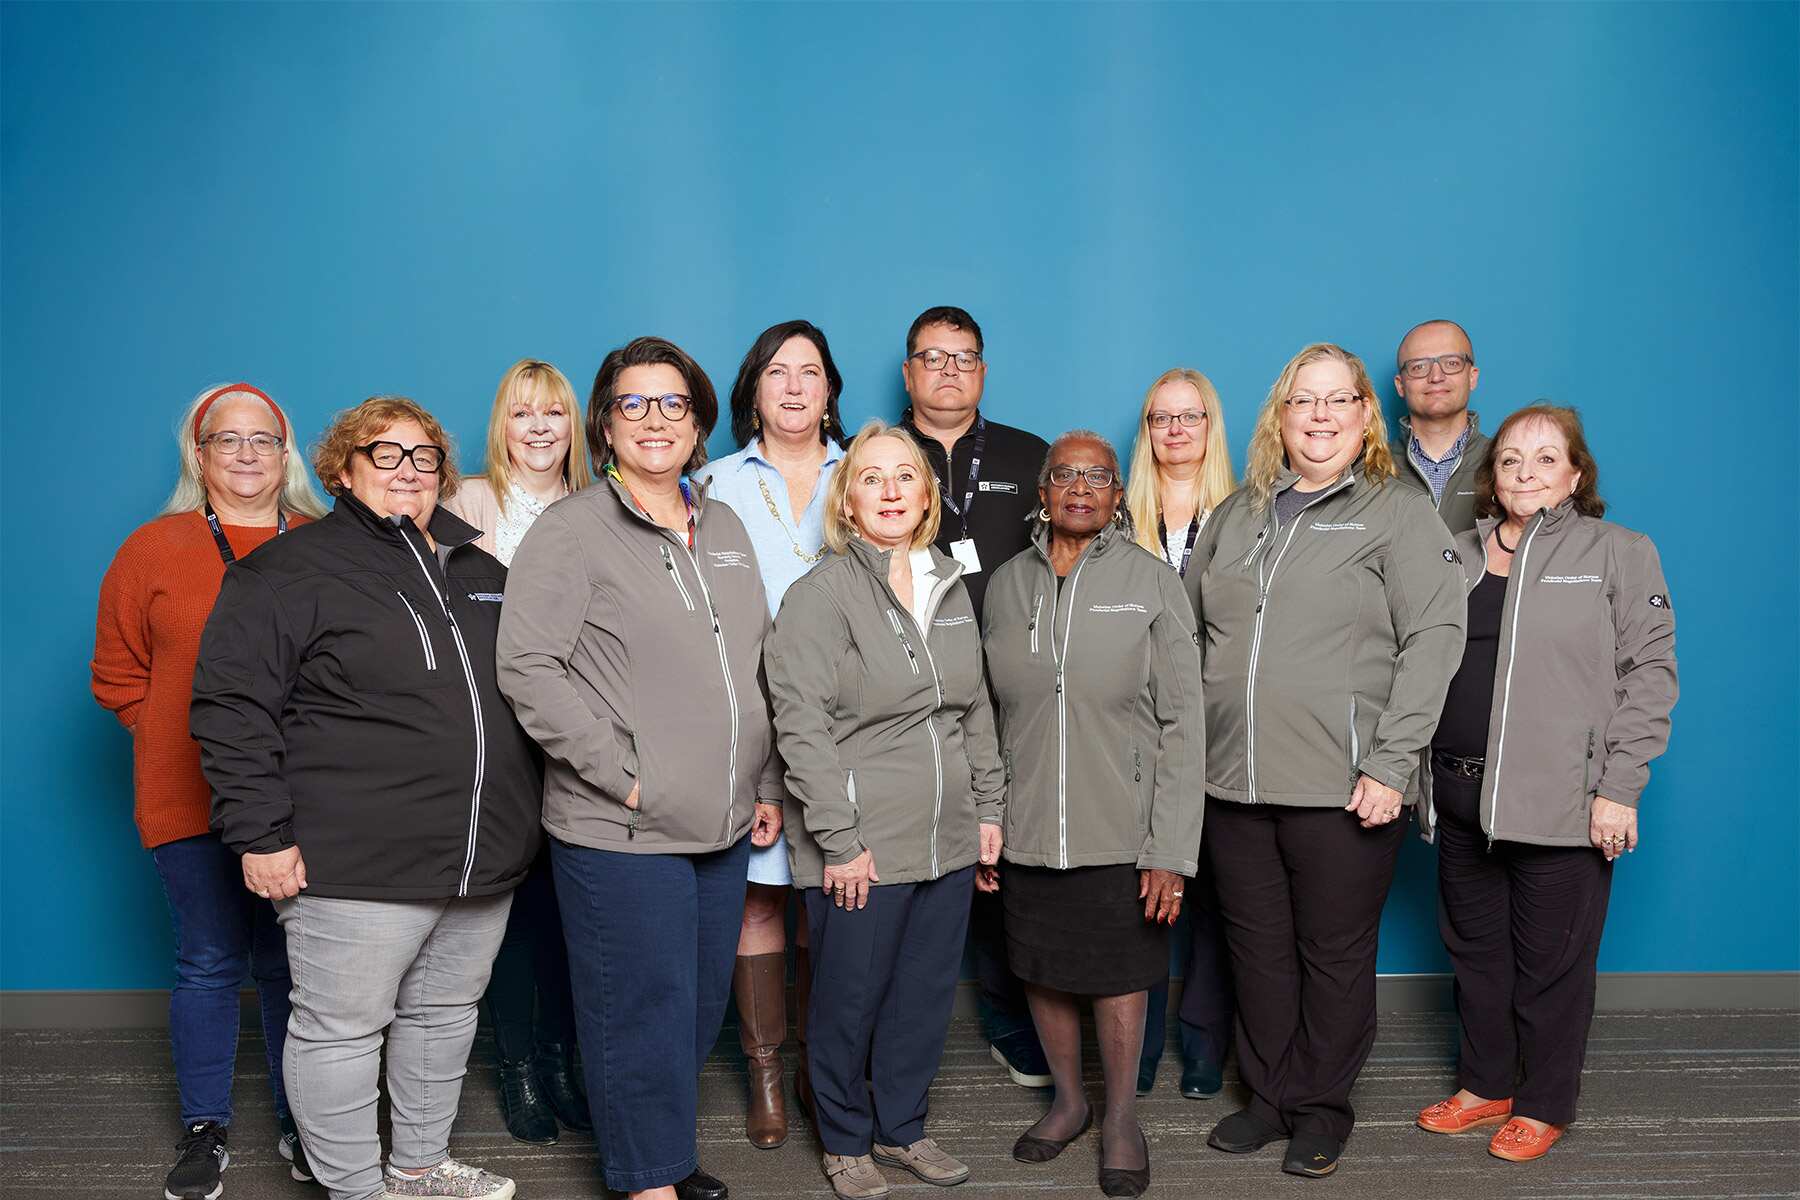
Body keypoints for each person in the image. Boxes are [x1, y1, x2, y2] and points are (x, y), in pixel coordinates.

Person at [192, 396, 542, 1200]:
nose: (407, 471)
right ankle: (355, 1189)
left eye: (424, 457)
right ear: (342, 472)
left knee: (444, 1016)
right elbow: (231, 710)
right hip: (354, 863)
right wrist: (260, 834)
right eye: (385, 455)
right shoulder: (288, 572)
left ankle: (418, 1167)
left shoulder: (483, 573)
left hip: (480, 859)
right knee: (341, 1032)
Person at [496, 336, 783, 1200]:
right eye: (634, 404)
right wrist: (625, 774)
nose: (655, 419)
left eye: (673, 403)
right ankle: (645, 1182)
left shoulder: (724, 528)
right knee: (637, 1009)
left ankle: (663, 1154)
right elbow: (528, 669)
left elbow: (756, 664)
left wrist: (765, 782)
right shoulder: (572, 531)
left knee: (693, 1009)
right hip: (621, 825)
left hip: (722, 820)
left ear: (697, 424)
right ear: (607, 426)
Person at [1186, 343, 1466, 1178]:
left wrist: (1391, 763)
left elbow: (1436, 637)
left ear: (1364, 414)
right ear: (1280, 417)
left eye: (1338, 399)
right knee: (1256, 952)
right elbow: (1190, 635)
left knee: (1332, 956)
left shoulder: (1396, 510)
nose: (1319, 415)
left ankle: (1319, 1107)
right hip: (1232, 782)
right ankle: (1269, 1097)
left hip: (1344, 787)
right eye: (1303, 400)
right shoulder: (1236, 515)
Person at [1414, 405, 1676, 1162]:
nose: (1525, 472)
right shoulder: (1454, 554)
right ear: (1490, 477)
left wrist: (1620, 788)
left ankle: (1544, 1102)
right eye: (1509, 460)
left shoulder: (1618, 552)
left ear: (1575, 474)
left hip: (1563, 799)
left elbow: (1650, 674)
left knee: (1552, 965)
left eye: (1545, 458)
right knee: (1476, 955)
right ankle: (1486, 1084)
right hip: (1458, 793)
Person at [91, 382, 327, 1200]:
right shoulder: (153, 548)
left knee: (295, 966)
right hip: (186, 794)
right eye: (229, 439)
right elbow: (117, 675)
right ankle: (205, 1129)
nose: (247, 454)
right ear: (200, 454)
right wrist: (172, 738)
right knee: (208, 960)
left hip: (307, 799)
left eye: (264, 440)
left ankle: (306, 1124)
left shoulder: (326, 543)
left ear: (285, 453)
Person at [765, 420, 1005, 1200]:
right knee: (848, 1000)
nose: (891, 491)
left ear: (927, 496)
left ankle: (902, 1128)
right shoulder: (819, 596)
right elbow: (800, 726)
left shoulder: (948, 584)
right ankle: (844, 1140)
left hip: (948, 836)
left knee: (922, 998)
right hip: (860, 842)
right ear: (848, 501)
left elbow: (974, 709)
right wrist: (839, 841)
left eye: (905, 476)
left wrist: (987, 810)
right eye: (871, 478)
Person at [983, 431, 1205, 1199]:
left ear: (1117, 494)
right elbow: (986, 713)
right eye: (1065, 475)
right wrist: (990, 819)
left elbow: (1184, 722)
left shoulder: (1151, 582)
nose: (1080, 488)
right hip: (1027, 822)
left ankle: (1120, 1119)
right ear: (1042, 490)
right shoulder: (1006, 584)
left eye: (1098, 476)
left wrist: (1170, 848)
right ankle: (1069, 1102)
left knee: (1119, 976)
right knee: (1041, 968)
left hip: (1123, 826)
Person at [692, 319, 847, 1148]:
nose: (793, 386)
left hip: (844, 723)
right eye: (777, 371)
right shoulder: (711, 483)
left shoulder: (866, 471)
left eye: (809, 371)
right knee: (757, 894)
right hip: (747, 718)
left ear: (830, 390)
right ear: (754, 388)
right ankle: (764, 1074)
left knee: (827, 898)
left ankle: (823, 1069)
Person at [896, 304, 1052, 1088]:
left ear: (983, 370)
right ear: (908, 374)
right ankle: (890, 1033)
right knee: (908, 847)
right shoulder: (879, 454)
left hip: (1014, 687)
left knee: (1005, 856)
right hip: (909, 686)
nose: (949, 371)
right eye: (933, 357)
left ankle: (1010, 1020)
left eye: (963, 357)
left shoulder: (1030, 454)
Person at [444, 359, 594, 1144]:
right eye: (522, 413)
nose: (539, 428)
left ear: (575, 427)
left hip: (575, 732)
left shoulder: (599, 506)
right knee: (509, 910)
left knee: (571, 910)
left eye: (554, 413)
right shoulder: (465, 503)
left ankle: (563, 1059)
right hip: (495, 739)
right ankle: (519, 1066)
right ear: (501, 426)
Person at [1121, 368, 1238, 1101]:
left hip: (1221, 724)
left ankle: (1203, 1042)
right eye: (1161, 417)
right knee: (1143, 891)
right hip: (1138, 726)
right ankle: (1137, 1042)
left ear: (1211, 425)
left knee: (1216, 895)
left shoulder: (1248, 515)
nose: (1175, 429)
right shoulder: (1118, 515)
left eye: (1190, 415)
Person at [1390, 319, 1491, 533]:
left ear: (1472, 377)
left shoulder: (1503, 463)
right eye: (1419, 367)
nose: (1436, 377)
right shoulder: (1372, 468)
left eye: (1452, 363)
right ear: (1400, 385)